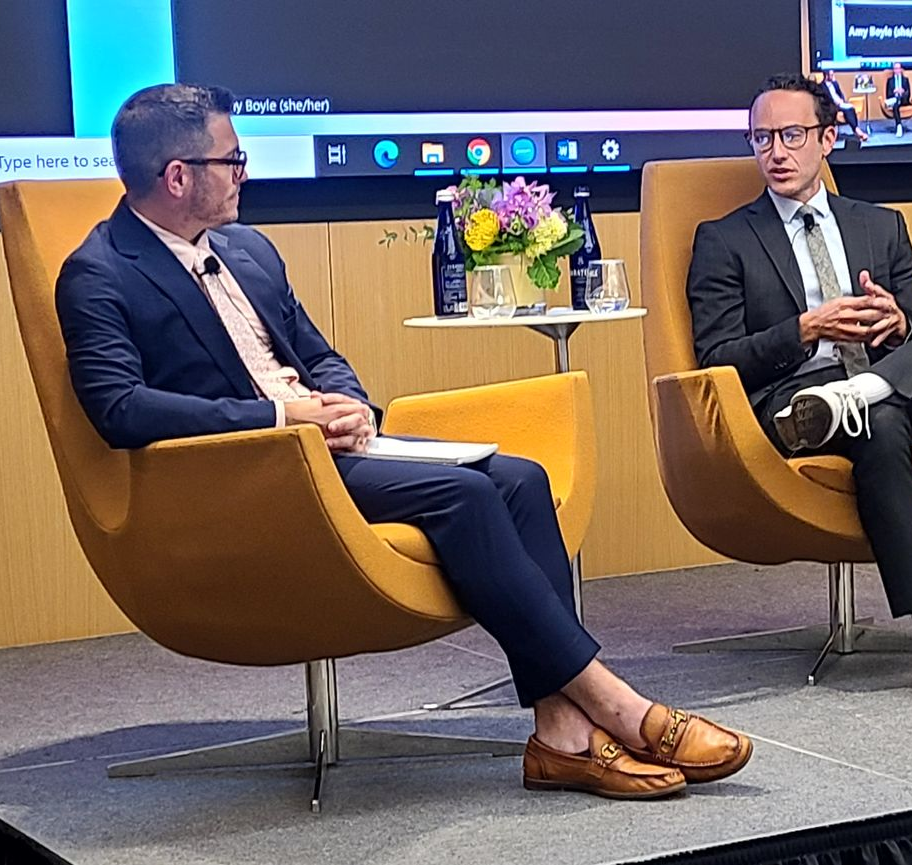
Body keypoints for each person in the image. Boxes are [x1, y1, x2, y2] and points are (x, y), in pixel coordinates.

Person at [56, 83, 754, 800]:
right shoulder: (100, 271)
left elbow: (318, 354)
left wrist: (348, 405)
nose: (245, 171)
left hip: (331, 447)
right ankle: (615, 705)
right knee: (463, 493)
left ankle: (561, 733)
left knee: (519, 476)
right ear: (178, 176)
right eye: (232, 158)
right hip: (252, 472)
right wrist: (281, 420)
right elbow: (120, 408)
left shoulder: (248, 249)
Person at [686, 74, 912, 707]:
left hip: (889, 384)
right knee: (882, 423)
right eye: (762, 138)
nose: (775, 152)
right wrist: (804, 329)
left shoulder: (880, 226)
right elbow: (716, 361)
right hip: (801, 406)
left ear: (828, 139)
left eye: (791, 135)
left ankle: (864, 389)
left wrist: (897, 326)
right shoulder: (724, 239)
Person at [823, 70, 869, 142]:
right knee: (848, 110)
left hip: (840, 103)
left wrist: (842, 100)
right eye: (831, 75)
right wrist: (835, 102)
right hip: (833, 106)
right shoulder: (822, 86)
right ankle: (857, 130)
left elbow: (840, 94)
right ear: (826, 76)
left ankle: (856, 129)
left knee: (851, 108)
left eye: (833, 75)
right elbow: (825, 99)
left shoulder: (834, 84)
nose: (832, 76)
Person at [885, 63, 912, 137]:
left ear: (901, 69)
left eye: (898, 68)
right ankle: (899, 126)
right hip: (894, 100)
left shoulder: (905, 80)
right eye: (895, 69)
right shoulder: (890, 80)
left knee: (897, 103)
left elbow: (909, 93)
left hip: (903, 100)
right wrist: (894, 91)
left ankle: (899, 126)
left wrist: (902, 91)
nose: (896, 70)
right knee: (895, 105)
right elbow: (887, 94)